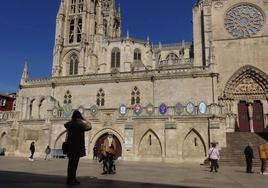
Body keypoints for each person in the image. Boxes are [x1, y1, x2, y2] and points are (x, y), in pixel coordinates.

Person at [64, 110, 92, 185]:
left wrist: (72, 119)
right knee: (75, 164)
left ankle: (69, 179)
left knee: (70, 164)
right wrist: (84, 119)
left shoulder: (69, 124)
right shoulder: (81, 125)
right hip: (77, 147)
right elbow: (89, 126)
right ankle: (72, 179)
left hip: (70, 147)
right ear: (79, 117)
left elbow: (65, 124)